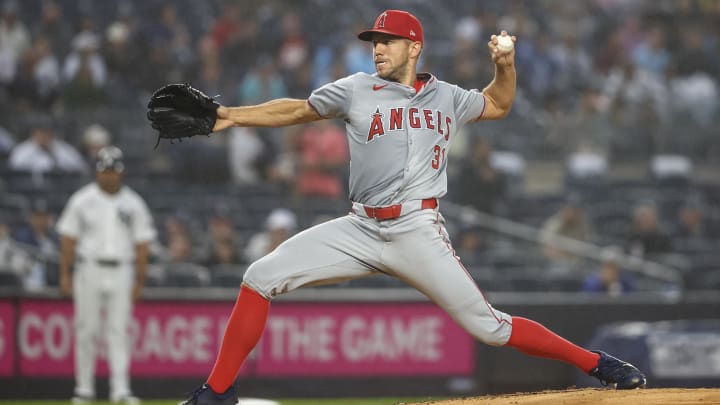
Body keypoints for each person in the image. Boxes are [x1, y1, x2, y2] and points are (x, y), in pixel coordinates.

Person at [158, 11, 646, 404]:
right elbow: (298, 109)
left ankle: (595, 363)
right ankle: (216, 395)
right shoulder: (355, 88)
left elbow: (497, 105)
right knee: (259, 276)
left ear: (414, 47)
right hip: (360, 226)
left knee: (491, 329)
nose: (378, 48)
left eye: (388, 40)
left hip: (418, 229)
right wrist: (229, 116)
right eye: (374, 40)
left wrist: (505, 65)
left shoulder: (448, 97)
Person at [56, 146, 156, 405]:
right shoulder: (82, 199)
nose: (109, 176)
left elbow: (143, 245)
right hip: (88, 268)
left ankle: (120, 389)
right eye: (104, 171)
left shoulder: (133, 203)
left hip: (122, 269)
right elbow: (68, 239)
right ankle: (84, 389)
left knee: (119, 331)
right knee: (86, 330)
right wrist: (65, 275)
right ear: (97, 171)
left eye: (113, 171)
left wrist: (139, 280)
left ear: (121, 172)